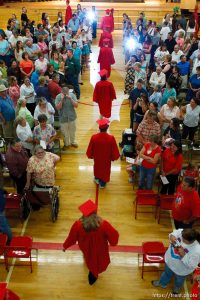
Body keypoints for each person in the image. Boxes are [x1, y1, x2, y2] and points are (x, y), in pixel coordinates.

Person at [63, 199, 119, 285]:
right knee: (97, 261)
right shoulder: (103, 225)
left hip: (86, 248)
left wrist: (65, 246)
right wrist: (113, 242)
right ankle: (93, 273)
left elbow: (71, 237)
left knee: (89, 259)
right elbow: (114, 237)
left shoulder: (78, 225)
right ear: (95, 213)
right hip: (100, 249)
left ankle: (92, 272)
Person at [152, 228, 200, 295]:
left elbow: (192, 265)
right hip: (169, 262)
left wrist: (183, 255)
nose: (181, 239)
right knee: (166, 274)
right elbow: (174, 233)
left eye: (183, 239)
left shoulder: (197, 250)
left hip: (181, 270)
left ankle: (177, 288)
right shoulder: (182, 232)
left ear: (191, 241)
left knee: (179, 280)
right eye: (181, 236)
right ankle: (162, 283)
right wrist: (171, 236)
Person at [86, 118, 120, 189]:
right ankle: (103, 183)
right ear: (107, 128)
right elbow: (115, 151)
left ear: (99, 128)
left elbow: (90, 150)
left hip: (97, 158)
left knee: (97, 167)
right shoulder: (111, 138)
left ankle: (97, 178)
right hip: (106, 160)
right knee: (105, 170)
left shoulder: (94, 137)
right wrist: (113, 158)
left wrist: (91, 156)